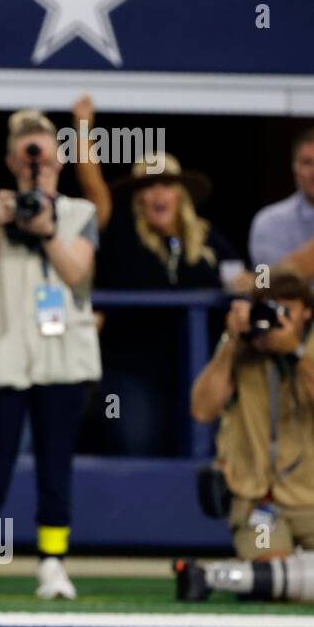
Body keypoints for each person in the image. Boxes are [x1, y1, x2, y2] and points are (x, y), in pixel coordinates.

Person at [0, 110, 100, 601]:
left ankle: (53, 563)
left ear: (59, 157)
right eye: (27, 154)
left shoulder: (80, 214)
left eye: (46, 153)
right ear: (12, 161)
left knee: (56, 461)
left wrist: (47, 229)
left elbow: (78, 275)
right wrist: (0, 222)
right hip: (5, 353)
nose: (39, 163)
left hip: (62, 354)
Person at [96, 153, 246, 455]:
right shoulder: (120, 236)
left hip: (196, 368)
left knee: (206, 448)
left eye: (166, 185)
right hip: (131, 369)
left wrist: (257, 282)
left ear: (180, 194)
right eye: (149, 187)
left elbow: (249, 276)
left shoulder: (206, 238)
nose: (158, 194)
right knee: (133, 441)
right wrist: (83, 129)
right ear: (138, 198)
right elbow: (94, 193)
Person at [180, 269, 314, 601]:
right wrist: (232, 342)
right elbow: (201, 409)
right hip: (261, 501)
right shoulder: (242, 347)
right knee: (271, 571)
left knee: (280, 579)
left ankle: (225, 577)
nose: (275, 318)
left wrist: (294, 351)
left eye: (287, 310)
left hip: (311, 498)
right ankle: (251, 577)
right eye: (270, 308)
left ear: (307, 312)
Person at [249, 128, 314, 280]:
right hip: (286, 303)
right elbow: (262, 282)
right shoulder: (269, 221)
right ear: (294, 168)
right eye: (307, 163)